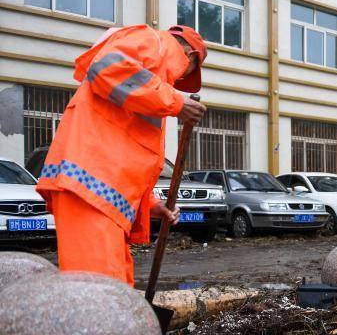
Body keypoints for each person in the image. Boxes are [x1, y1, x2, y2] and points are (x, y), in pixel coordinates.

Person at [37, 24, 208, 286]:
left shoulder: (153, 84)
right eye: (188, 72)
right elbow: (106, 67)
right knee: (98, 294)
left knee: (116, 290)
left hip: (100, 194)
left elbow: (131, 154)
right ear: (189, 53)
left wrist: (152, 205)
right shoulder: (155, 42)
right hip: (88, 186)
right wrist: (176, 101)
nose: (180, 80)